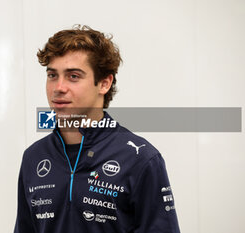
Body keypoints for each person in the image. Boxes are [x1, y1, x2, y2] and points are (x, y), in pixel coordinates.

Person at [14, 25, 180, 233]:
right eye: (52, 75)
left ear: (104, 83)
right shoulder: (33, 157)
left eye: (73, 76)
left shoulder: (140, 158)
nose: (58, 87)